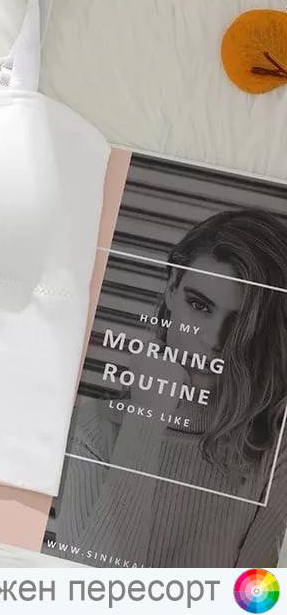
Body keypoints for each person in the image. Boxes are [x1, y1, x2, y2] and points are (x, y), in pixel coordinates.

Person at [51, 209, 287, 567]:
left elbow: (256, 594)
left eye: (241, 322)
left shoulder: (274, 451)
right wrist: (145, 419)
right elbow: (92, 587)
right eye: (199, 305)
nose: (214, 339)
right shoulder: (92, 428)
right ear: (173, 287)